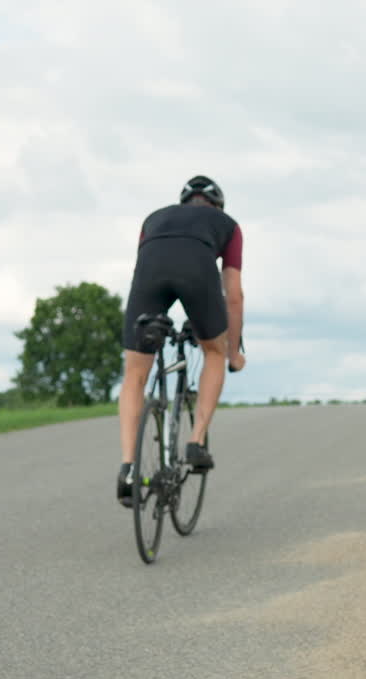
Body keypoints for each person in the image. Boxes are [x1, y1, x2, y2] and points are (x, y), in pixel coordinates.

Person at [116, 175, 246, 507]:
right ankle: (196, 441)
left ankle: (128, 469)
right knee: (213, 352)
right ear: (217, 206)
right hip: (197, 274)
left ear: (182, 203)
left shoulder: (154, 218)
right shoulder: (228, 225)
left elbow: (144, 266)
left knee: (134, 373)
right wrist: (233, 351)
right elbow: (233, 295)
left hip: (149, 276)